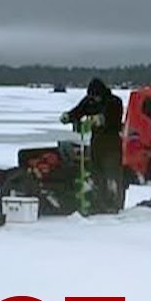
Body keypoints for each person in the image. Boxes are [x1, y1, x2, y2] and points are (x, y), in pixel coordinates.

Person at [60, 78, 125, 212]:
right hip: (96, 142)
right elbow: (79, 110)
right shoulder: (89, 101)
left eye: (96, 96)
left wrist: (100, 119)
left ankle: (114, 204)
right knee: (96, 173)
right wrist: (69, 116)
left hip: (112, 142)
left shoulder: (114, 102)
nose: (94, 99)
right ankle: (98, 203)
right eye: (92, 96)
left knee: (111, 175)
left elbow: (114, 121)